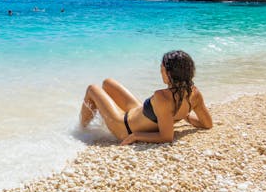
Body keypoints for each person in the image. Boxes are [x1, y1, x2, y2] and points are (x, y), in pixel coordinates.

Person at [80, 50, 212, 145]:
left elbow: (166, 137)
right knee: (107, 82)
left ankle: (81, 130)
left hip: (124, 126)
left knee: (92, 89)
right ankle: (92, 123)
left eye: (162, 69)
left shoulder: (163, 97)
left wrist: (136, 136)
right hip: (137, 112)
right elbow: (207, 124)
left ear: (170, 73)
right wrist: (184, 115)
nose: (160, 72)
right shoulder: (194, 94)